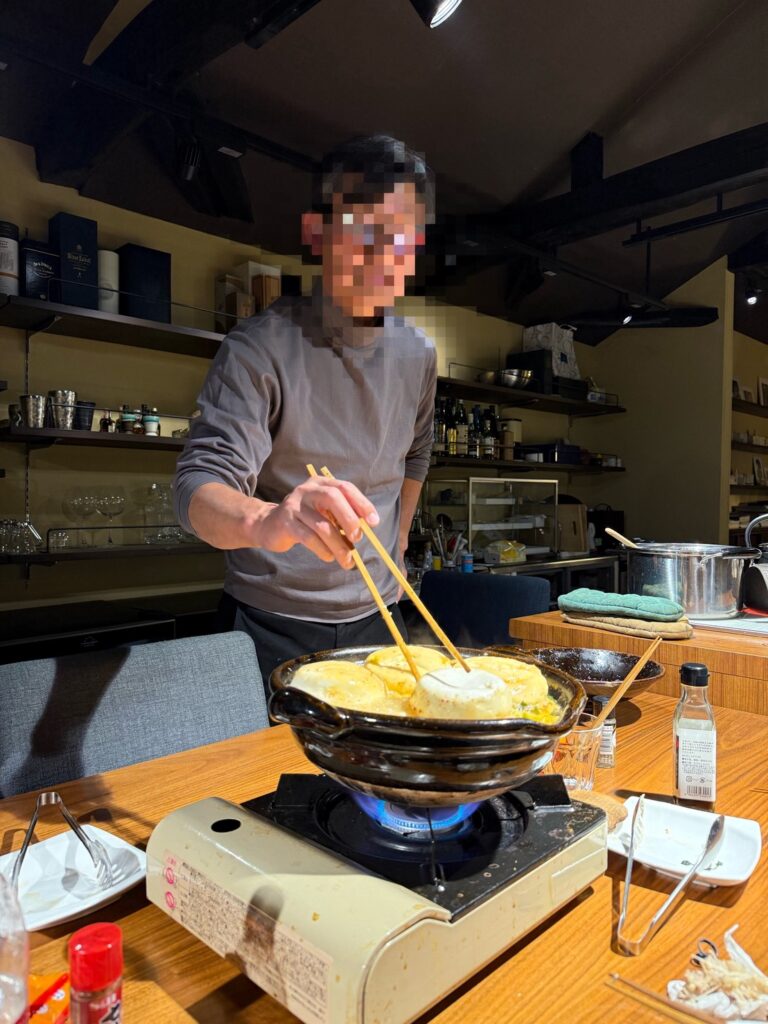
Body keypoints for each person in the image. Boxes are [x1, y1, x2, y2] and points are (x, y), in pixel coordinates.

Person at [174, 135, 437, 685]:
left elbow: (416, 452)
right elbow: (198, 487)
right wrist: (269, 520)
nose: (384, 253)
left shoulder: (419, 354)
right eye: (364, 229)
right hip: (269, 622)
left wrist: (399, 540)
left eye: (402, 235)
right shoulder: (260, 347)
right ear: (318, 233)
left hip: (380, 615)